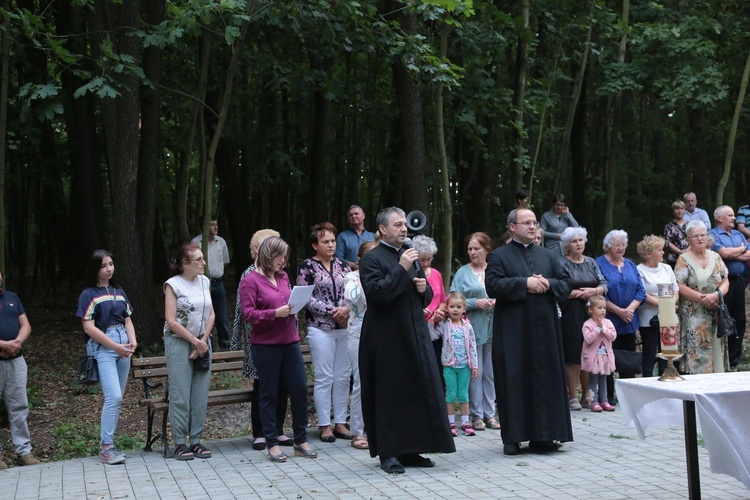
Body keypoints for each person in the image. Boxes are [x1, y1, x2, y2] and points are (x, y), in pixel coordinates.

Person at [359, 207, 455, 474]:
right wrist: (402, 269)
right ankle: (389, 453)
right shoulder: (372, 259)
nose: (404, 229)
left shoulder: (409, 257)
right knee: (390, 394)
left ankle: (412, 449)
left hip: (414, 333)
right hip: (386, 337)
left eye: (405, 224)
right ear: (382, 229)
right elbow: (378, 295)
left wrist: (424, 290)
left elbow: (423, 296)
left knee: (415, 390)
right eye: (398, 224)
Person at [486, 208, 573, 456]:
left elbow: (566, 284)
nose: (533, 227)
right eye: (526, 223)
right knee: (514, 377)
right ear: (512, 226)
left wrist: (546, 284)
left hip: (546, 329)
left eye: (534, 223)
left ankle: (544, 436)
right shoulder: (498, 256)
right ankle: (513, 437)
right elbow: (492, 285)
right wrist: (525, 283)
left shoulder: (548, 255)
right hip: (514, 330)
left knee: (546, 376)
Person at [240, 236, 317, 462]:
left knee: (300, 389)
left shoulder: (283, 276)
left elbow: (287, 301)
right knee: (269, 393)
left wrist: (294, 306)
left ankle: (300, 440)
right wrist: (275, 313)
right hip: (265, 346)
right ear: (268, 255)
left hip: (290, 342)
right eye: (280, 256)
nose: (284, 261)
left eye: (284, 257)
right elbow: (249, 314)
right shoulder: (250, 281)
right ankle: (272, 443)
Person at [230, 229, 291, 451]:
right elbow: (241, 310)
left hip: (282, 336)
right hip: (258, 336)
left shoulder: (280, 273)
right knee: (263, 384)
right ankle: (260, 432)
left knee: (282, 383)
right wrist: (236, 341)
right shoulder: (249, 274)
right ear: (257, 249)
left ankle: (278, 430)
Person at [76, 250, 137, 465]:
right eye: (104, 265)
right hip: (103, 347)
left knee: (117, 397)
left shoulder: (118, 291)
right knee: (114, 397)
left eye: (111, 264)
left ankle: (110, 444)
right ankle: (106, 447)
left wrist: (133, 341)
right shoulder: (88, 294)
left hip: (123, 342)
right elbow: (89, 328)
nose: (109, 268)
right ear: (95, 269)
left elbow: (127, 319)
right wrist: (115, 347)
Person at [296, 222, 351, 443]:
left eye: (332, 241)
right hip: (320, 328)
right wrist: (331, 311)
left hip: (345, 327)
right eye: (325, 242)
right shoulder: (306, 267)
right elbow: (305, 297)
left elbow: (352, 290)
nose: (330, 245)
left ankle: (340, 422)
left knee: (342, 377)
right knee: (324, 377)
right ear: (314, 245)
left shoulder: (344, 265)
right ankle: (324, 425)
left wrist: (346, 309)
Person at [163, 242, 215, 460]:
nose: (203, 263)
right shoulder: (172, 285)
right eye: (199, 260)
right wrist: (195, 342)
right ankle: (179, 442)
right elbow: (171, 321)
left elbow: (211, 314)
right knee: (181, 394)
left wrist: (202, 342)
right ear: (185, 263)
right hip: (179, 342)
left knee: (200, 395)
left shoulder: (205, 281)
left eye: (203, 259)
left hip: (203, 342)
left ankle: (196, 440)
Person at [449, 232, 499, 432]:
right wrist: (474, 303)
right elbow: (453, 299)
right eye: (470, 249)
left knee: (491, 373)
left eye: (476, 248)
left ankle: (491, 414)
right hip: (472, 330)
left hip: (495, 328)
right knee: (475, 373)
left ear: (487, 249)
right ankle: (476, 415)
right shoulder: (462, 272)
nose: (472, 252)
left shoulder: (494, 269)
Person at [558, 227, 608, 410]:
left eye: (581, 240)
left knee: (590, 352)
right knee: (573, 354)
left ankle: (587, 394)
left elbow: (603, 283)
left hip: (592, 313)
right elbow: (558, 290)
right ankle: (572, 395)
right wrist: (579, 294)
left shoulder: (591, 262)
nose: (579, 243)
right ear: (567, 246)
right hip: (570, 312)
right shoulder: (561, 264)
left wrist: (594, 291)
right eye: (574, 241)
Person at [595, 230, 646, 403]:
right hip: (609, 319)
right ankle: (608, 396)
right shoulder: (599, 264)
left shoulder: (630, 264)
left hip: (629, 321)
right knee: (608, 358)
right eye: (617, 244)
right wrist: (619, 311)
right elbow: (600, 294)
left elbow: (641, 290)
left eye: (623, 245)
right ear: (608, 245)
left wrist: (629, 310)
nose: (620, 248)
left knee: (628, 359)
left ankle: (628, 396)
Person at [675, 221, 730, 373]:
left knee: (716, 350)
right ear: (688, 239)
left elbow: (725, 280)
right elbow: (679, 285)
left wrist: (716, 296)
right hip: (695, 315)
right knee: (697, 354)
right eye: (695, 236)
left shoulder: (716, 256)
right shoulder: (683, 259)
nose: (700, 238)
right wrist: (703, 298)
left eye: (703, 235)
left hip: (716, 312)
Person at [0, 272, 40, 468]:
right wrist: (3, 345)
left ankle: (23, 452)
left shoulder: (11, 297)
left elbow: (25, 325)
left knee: (19, 405)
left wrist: (16, 343)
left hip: (16, 360)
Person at [343, 241, 379, 451]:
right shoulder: (352, 277)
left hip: (381, 335)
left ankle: (378, 427)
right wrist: (367, 278)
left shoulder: (382, 276)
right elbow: (353, 297)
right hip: (357, 334)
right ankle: (358, 431)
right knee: (361, 382)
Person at [428, 293, 478, 437]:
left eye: (458, 307)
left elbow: (472, 346)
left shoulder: (467, 326)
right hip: (449, 366)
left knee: (463, 395)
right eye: (452, 307)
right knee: (450, 394)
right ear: (447, 309)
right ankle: (450, 422)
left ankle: (465, 422)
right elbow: (432, 336)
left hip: (464, 366)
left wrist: (474, 365)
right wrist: (431, 322)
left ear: (464, 309)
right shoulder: (444, 325)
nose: (455, 310)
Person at [709, 206, 750, 367]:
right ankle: (721, 356)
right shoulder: (712, 235)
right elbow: (723, 254)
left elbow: (748, 254)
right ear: (720, 218)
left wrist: (733, 254)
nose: (734, 218)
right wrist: (741, 249)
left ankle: (735, 358)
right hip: (723, 284)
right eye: (730, 215)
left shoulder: (738, 234)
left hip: (740, 281)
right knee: (723, 318)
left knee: (739, 320)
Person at [636, 236, 679, 377]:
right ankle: (647, 382)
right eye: (659, 250)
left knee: (667, 353)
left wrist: (671, 305)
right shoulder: (639, 270)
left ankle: (667, 378)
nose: (663, 253)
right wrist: (665, 305)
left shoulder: (667, 268)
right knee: (650, 352)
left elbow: (676, 289)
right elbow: (643, 293)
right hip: (648, 318)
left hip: (669, 318)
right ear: (648, 253)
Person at [413, 234, 448, 385]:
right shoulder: (410, 274)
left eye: (430, 259)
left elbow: (443, 300)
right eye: (422, 260)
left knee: (436, 368)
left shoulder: (436, 274)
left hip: (436, 329)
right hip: (418, 328)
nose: (426, 263)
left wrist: (440, 311)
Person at [192, 219, 231, 350]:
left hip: (218, 283)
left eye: (216, 224)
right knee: (205, 318)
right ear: (204, 226)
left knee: (222, 318)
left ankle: (225, 350)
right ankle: (209, 350)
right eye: (212, 224)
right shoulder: (196, 243)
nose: (216, 227)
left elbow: (225, 261)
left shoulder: (221, 242)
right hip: (201, 285)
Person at [581, 296, 616, 413]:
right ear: (591, 310)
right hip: (594, 358)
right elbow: (588, 339)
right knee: (593, 379)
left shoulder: (608, 322)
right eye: (599, 308)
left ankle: (604, 400)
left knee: (603, 378)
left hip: (605, 357)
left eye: (604, 308)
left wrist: (604, 329)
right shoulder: (587, 324)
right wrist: (597, 329)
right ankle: (593, 401)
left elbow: (613, 336)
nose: (603, 311)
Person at [334, 205, 376, 270]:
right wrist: (353, 265)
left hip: (371, 273)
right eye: (351, 215)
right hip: (349, 275)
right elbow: (337, 259)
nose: (353, 216)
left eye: (356, 214)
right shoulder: (342, 236)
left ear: (363, 216)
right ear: (348, 219)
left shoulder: (372, 236)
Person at [663, 200, 689, 268]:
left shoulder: (690, 224)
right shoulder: (668, 226)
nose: (679, 211)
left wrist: (687, 251)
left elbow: (694, 238)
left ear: (685, 211)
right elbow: (667, 242)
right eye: (677, 209)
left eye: (682, 209)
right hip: (673, 258)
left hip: (689, 255)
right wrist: (679, 251)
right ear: (673, 212)